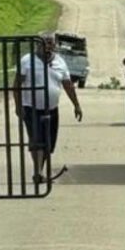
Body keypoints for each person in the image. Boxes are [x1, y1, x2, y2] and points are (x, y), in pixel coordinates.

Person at [13, 32, 83, 183]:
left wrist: (76, 105)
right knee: (37, 140)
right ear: (37, 44)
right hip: (31, 107)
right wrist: (18, 106)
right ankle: (38, 172)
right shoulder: (27, 61)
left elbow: (68, 85)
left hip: (51, 108)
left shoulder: (60, 62)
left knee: (48, 143)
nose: (48, 46)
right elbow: (17, 84)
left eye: (51, 43)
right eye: (44, 43)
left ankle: (39, 171)